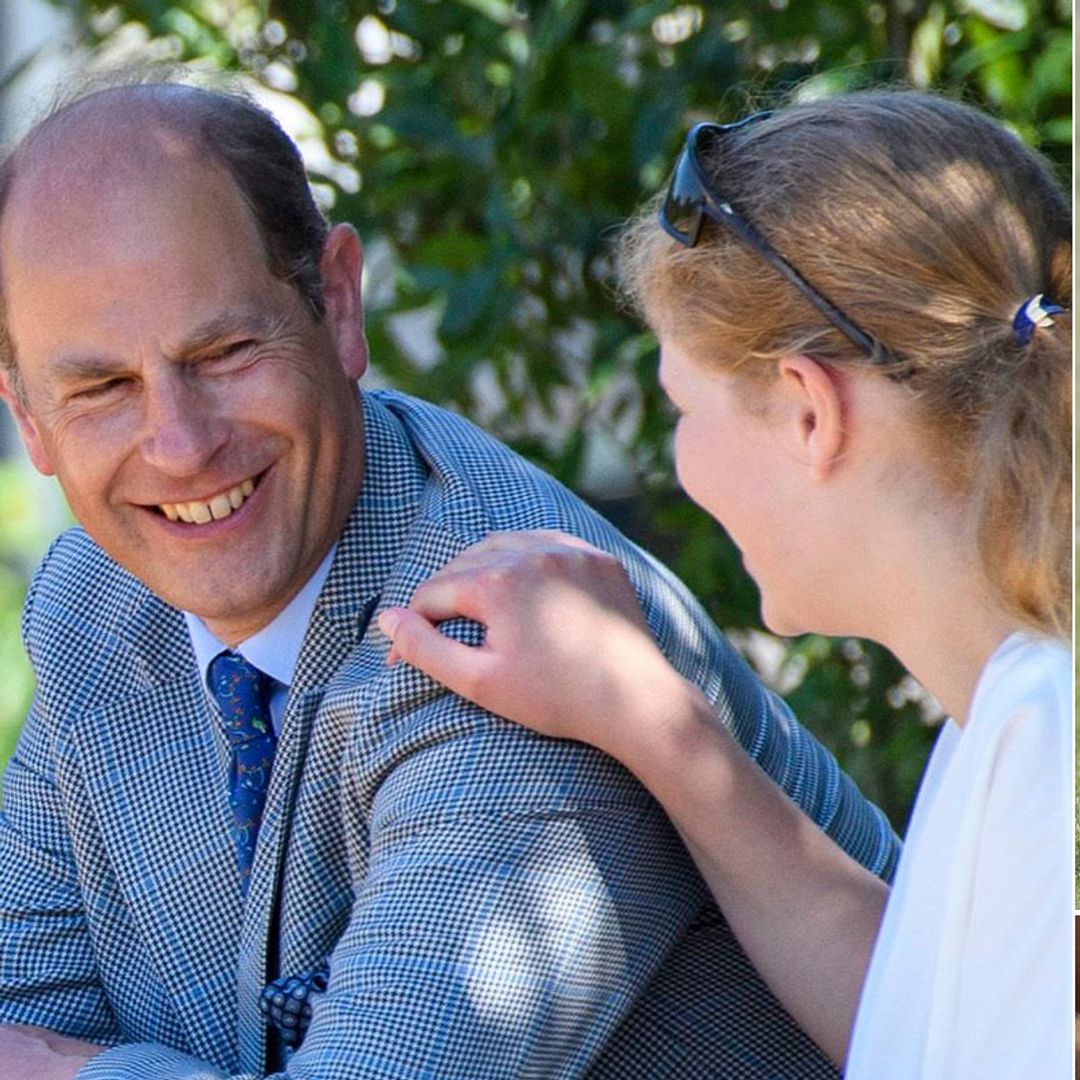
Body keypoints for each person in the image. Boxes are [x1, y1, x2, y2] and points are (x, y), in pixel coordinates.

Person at [0, 80, 902, 1079]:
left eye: (224, 351)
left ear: (338, 301)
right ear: (28, 418)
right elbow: (26, 990)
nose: (179, 445)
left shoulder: (518, 647)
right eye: (102, 389)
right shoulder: (99, 595)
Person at [380, 91, 1073, 1078]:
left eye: (683, 408)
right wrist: (649, 720)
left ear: (806, 413)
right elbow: (926, 1023)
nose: (680, 462)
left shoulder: (1045, 746)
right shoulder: (1004, 708)